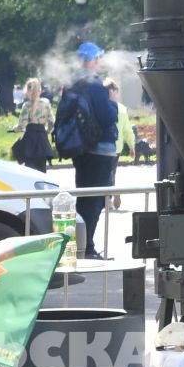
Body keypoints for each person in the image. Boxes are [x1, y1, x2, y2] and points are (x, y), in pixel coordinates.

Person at [58, 42, 121, 260]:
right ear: (93, 60)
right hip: (99, 150)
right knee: (94, 202)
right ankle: (87, 248)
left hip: (80, 148)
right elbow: (107, 117)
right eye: (98, 59)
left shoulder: (72, 83)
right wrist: (112, 103)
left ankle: (81, 247)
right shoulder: (94, 84)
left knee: (84, 198)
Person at [13, 78, 53, 171]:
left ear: (27, 91)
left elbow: (22, 125)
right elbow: (51, 122)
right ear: (40, 90)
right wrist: (47, 131)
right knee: (42, 170)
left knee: (30, 169)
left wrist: (15, 129)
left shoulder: (26, 106)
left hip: (30, 139)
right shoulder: (46, 103)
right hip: (42, 139)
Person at [105, 79, 137, 165]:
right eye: (116, 93)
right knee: (111, 174)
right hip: (116, 148)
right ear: (113, 92)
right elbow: (127, 130)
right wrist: (131, 147)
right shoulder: (121, 109)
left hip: (101, 148)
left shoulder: (97, 106)